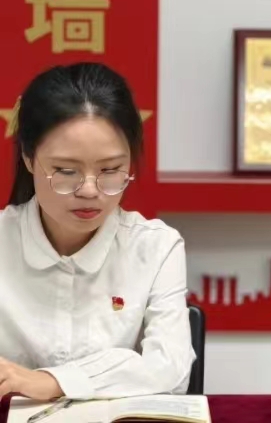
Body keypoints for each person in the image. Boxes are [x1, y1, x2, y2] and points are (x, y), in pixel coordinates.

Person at [0, 63, 194, 400]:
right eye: (66, 171)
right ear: (29, 159)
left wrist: (54, 382)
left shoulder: (155, 247)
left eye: (111, 169)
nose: (90, 190)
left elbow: (170, 368)